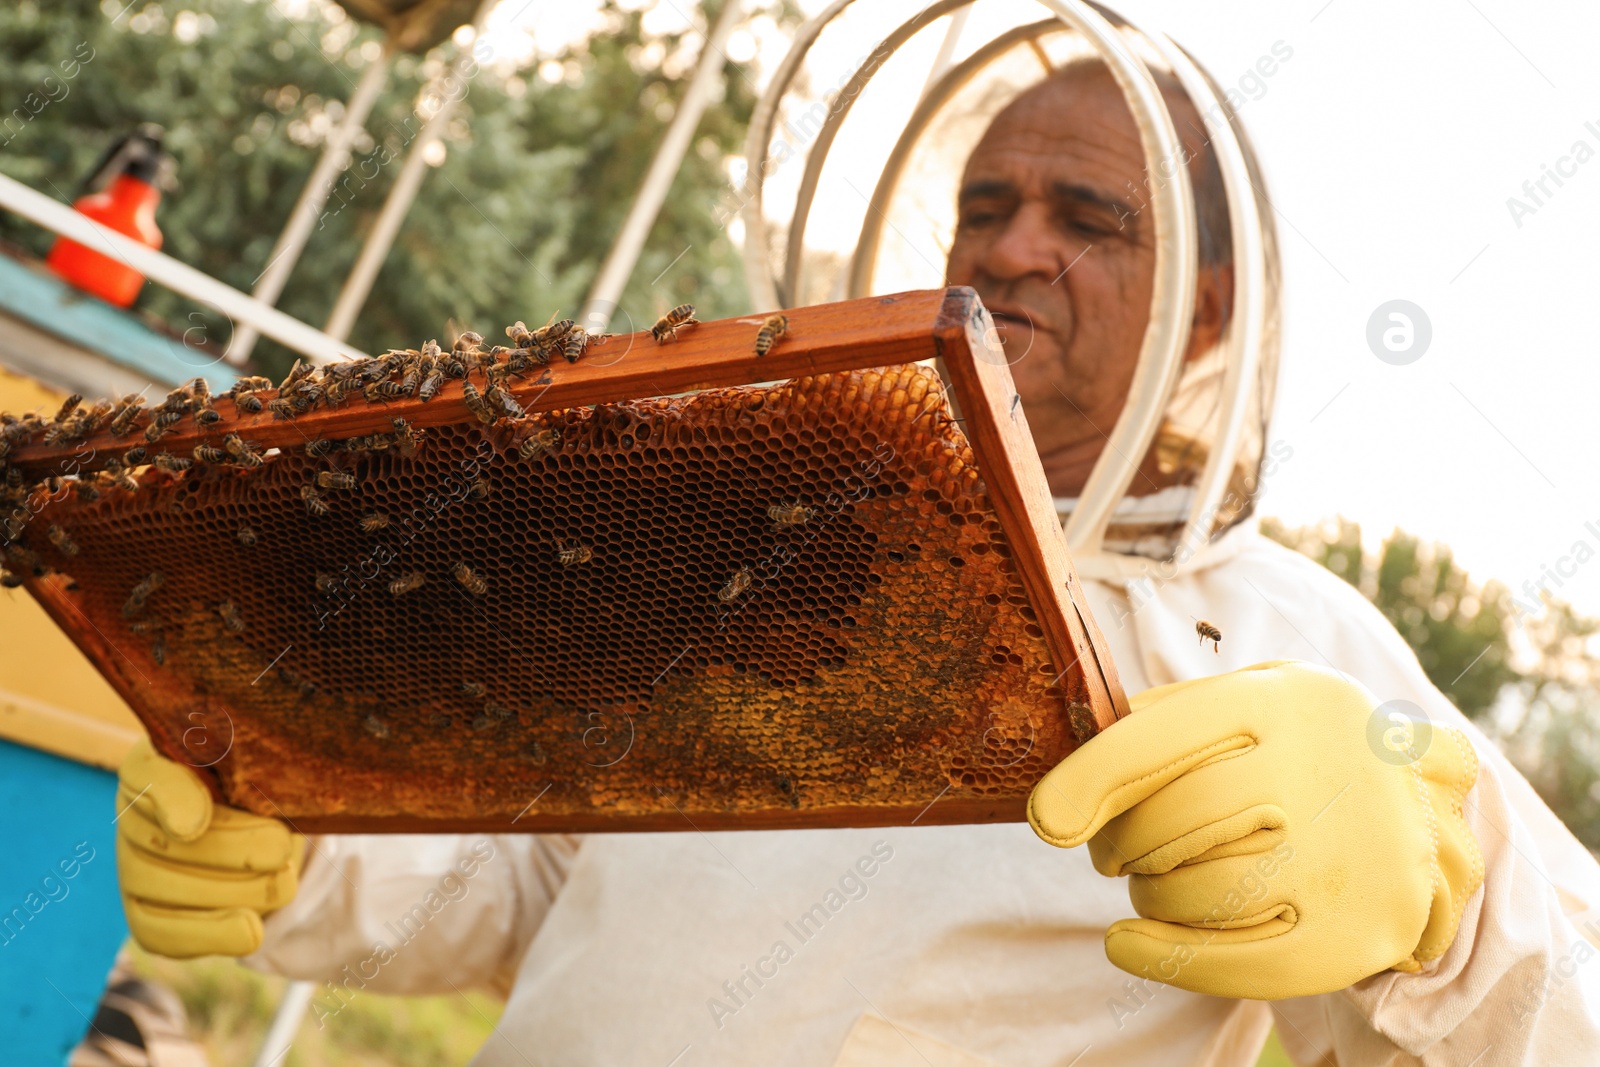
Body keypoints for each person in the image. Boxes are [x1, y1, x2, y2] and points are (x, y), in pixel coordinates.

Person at [113, 37, 1600, 1067]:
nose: (1010, 246)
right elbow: (526, 895)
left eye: (1087, 218)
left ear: (1206, 315)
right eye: (985, 205)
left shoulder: (1300, 648)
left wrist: (1442, 896)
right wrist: (309, 860)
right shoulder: (763, 548)